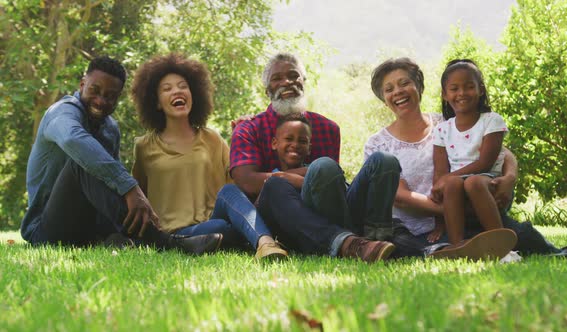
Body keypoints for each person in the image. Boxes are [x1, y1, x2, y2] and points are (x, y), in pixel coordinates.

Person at [366, 57, 567, 259]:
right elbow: (401, 197)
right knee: (412, 247)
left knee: (521, 234)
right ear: (384, 99)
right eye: (389, 89)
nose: (398, 92)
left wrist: (509, 179)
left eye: (404, 83)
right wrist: (452, 211)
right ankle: (457, 247)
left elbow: (501, 151)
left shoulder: (448, 121)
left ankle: (566, 253)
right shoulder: (378, 144)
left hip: (471, 210)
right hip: (423, 228)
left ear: (418, 87)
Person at [20, 56, 222, 255]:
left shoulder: (110, 129)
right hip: (46, 231)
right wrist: (130, 186)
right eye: (95, 90)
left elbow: (107, 188)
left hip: (87, 230)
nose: (100, 100)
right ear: (82, 85)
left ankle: (120, 238)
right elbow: (73, 139)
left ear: (117, 98)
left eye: (110, 96)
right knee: (82, 163)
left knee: (109, 179)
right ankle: (167, 242)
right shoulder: (61, 113)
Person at [231, 52, 399, 263]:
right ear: (267, 90)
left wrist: (295, 176)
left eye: (293, 76)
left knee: (383, 160)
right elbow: (247, 181)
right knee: (274, 185)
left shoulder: (327, 128)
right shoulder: (248, 129)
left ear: (304, 82)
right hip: (287, 224)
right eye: (277, 78)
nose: (286, 82)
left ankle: (377, 238)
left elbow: (330, 186)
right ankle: (347, 243)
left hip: (327, 215)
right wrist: (291, 176)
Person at [131, 53, 286, 259]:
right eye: (167, 89)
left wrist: (243, 133)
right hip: (176, 233)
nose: (177, 91)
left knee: (228, 196)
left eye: (183, 86)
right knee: (223, 227)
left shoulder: (212, 138)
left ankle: (266, 244)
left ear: (194, 94)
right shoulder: (143, 147)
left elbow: (238, 186)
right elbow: (138, 198)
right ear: (157, 103)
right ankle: (249, 237)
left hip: (214, 220)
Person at [430, 59, 515, 250]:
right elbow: (440, 173)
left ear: (481, 90)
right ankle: (458, 245)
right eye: (454, 88)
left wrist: (447, 178)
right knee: (451, 183)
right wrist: (438, 222)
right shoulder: (442, 130)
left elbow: (485, 163)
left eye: (469, 87)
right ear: (445, 94)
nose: (461, 93)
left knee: (472, 181)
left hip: (490, 180)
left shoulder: (492, 121)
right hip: (458, 184)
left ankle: (501, 243)